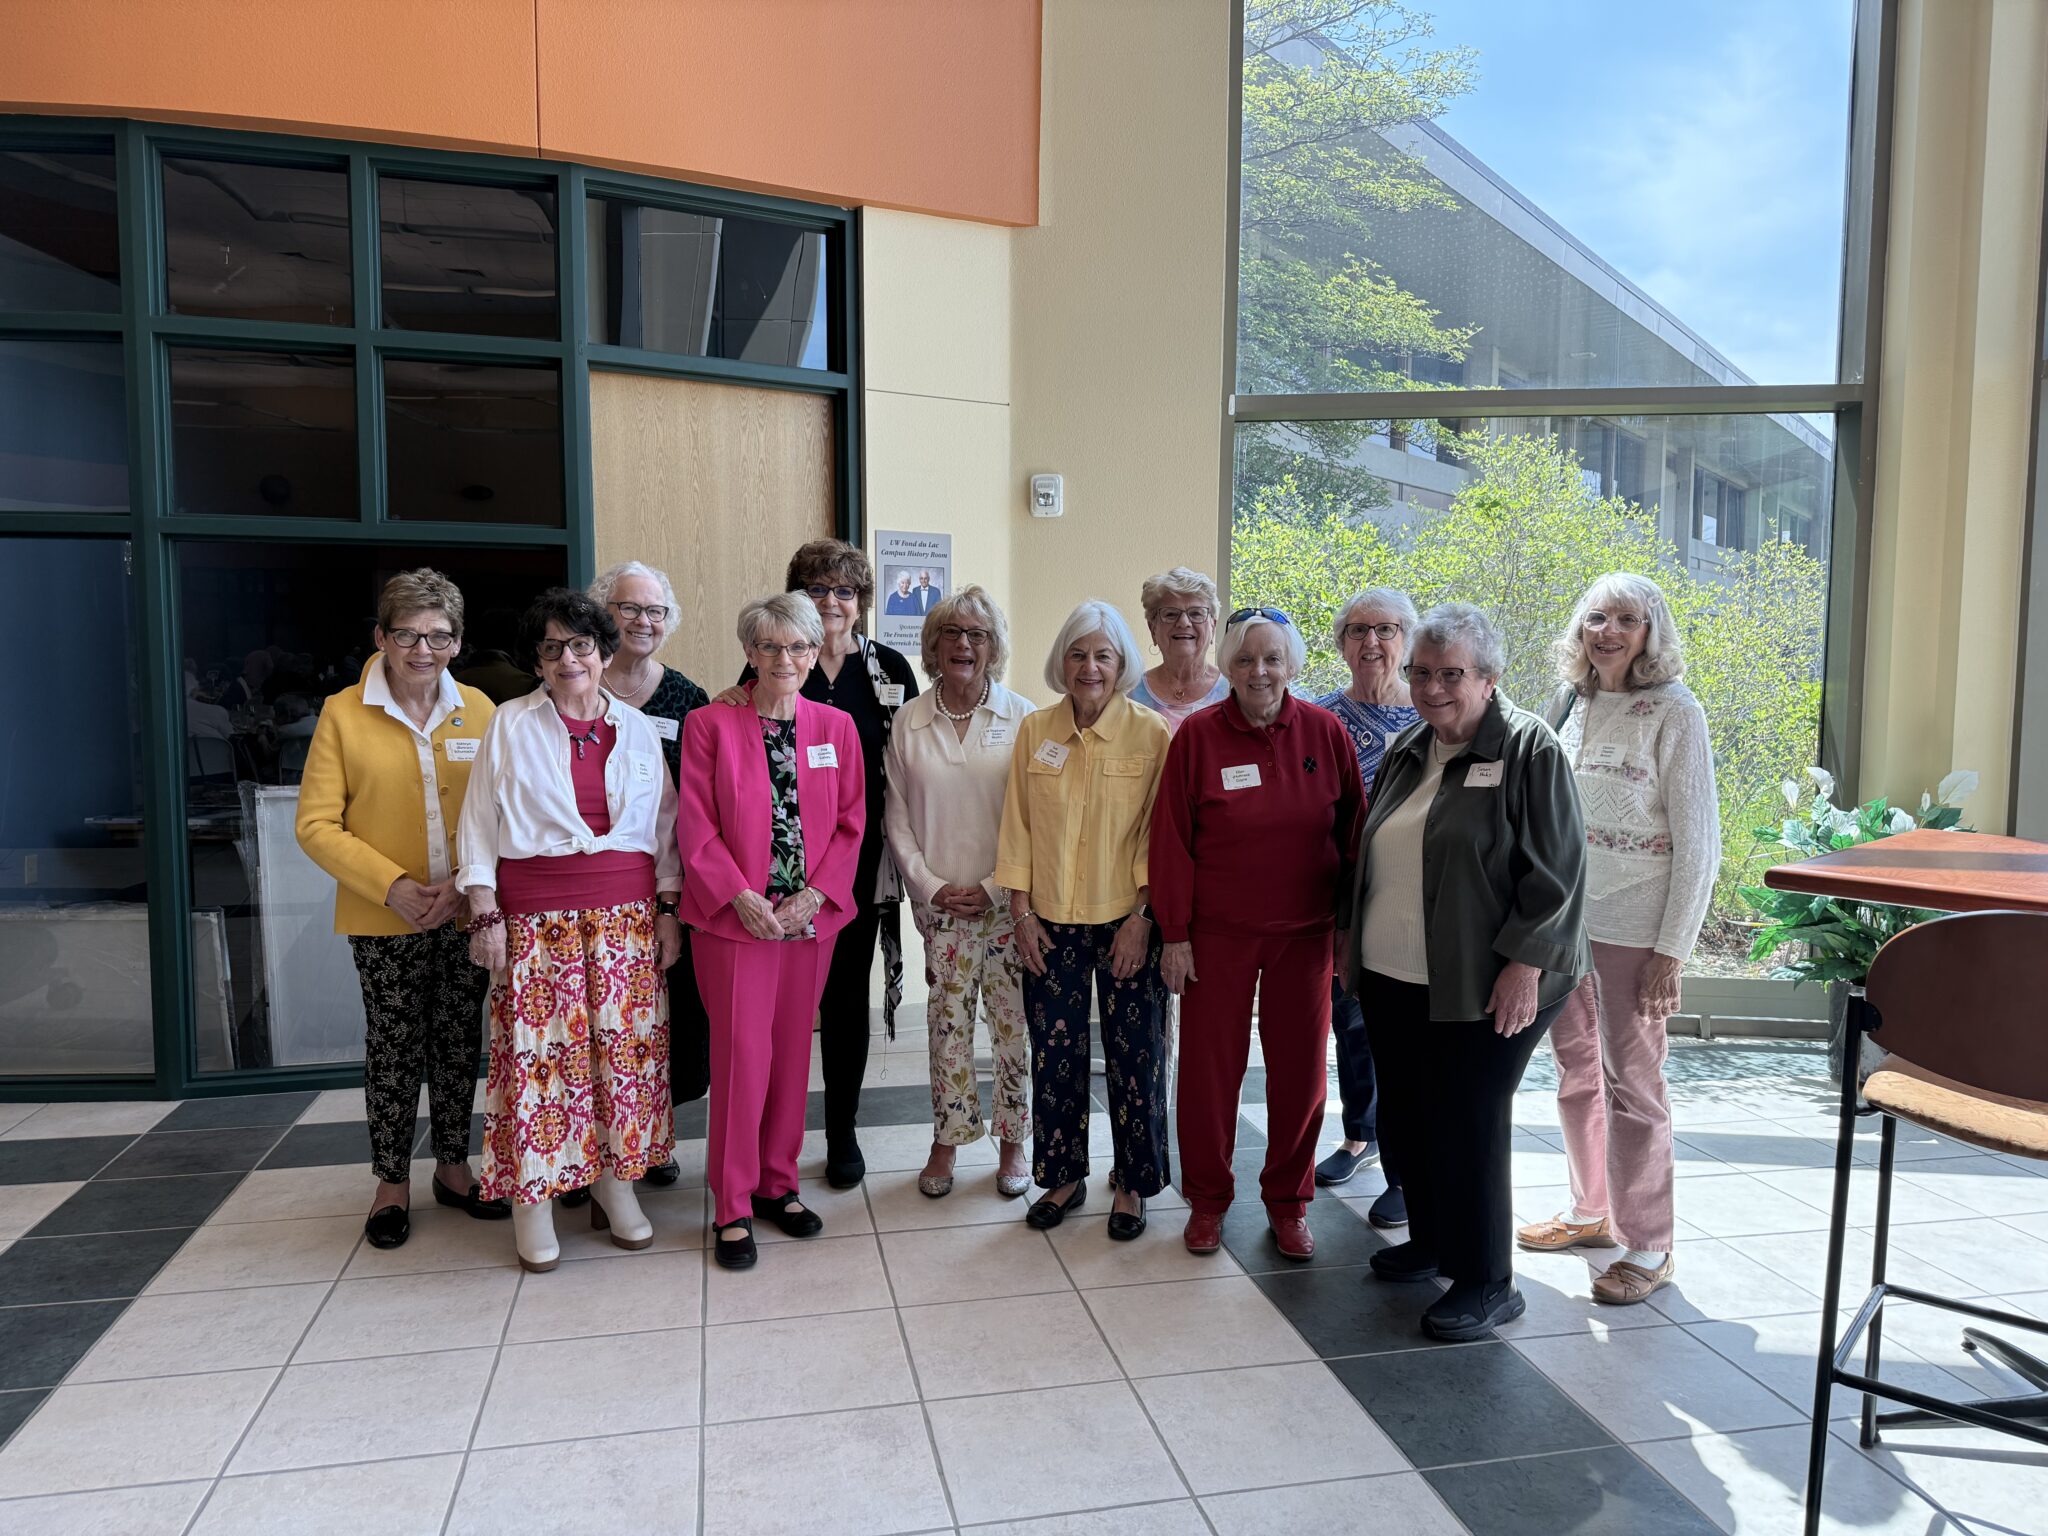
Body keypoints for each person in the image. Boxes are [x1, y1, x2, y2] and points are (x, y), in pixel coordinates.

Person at [1346, 603, 1589, 1340]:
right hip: (1394, 972)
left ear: (1489, 677)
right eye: (1420, 673)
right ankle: (1431, 1241)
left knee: (1470, 1116)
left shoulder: (1529, 749)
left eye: (1450, 674)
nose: (1432, 688)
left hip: (1486, 977)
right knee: (1409, 1112)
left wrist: (1524, 964)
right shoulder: (1409, 747)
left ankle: (1487, 1280)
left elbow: (1559, 873)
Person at [455, 588, 683, 1274]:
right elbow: (478, 823)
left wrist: (669, 910)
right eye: (551, 648)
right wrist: (485, 913)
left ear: (604, 652)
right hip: (536, 921)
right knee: (539, 1062)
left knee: (623, 1060)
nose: (568, 659)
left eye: (581, 645)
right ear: (536, 660)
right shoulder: (510, 724)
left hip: (626, 920)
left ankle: (616, 1187)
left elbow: (665, 828)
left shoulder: (638, 729)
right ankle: (534, 1201)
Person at [1515, 573, 1719, 1305]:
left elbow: (1700, 845)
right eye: (1597, 617)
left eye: (1627, 620)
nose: (1608, 632)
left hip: (1636, 928)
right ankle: (1591, 1212)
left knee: (1634, 1085)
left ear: (1650, 632)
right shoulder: (1570, 702)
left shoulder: (1675, 711)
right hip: (1567, 924)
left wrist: (1673, 951)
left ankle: (1650, 1243)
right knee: (1575, 1072)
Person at [296, 569, 506, 1250]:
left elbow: (500, 810)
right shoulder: (343, 712)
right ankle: (390, 1183)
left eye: (439, 636)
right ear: (381, 637)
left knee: (457, 1040)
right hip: (385, 915)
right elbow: (316, 824)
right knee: (393, 1045)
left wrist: (465, 886)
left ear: (458, 641)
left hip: (463, 909)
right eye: (408, 635)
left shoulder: (481, 710)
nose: (423, 650)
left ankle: (452, 1166)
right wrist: (392, 885)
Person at [1151, 606, 1364, 1261]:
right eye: (1245, 659)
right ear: (1229, 667)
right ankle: (1207, 1201)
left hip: (1306, 935)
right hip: (1218, 935)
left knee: (1300, 1076)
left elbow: (1354, 836)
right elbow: (1171, 841)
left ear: (1291, 664)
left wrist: (1348, 931)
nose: (1260, 671)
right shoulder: (1198, 737)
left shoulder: (1326, 733)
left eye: (1272, 658)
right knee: (1209, 1074)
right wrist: (1175, 934)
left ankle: (1289, 1203)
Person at [715, 539, 919, 1187]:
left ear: (861, 602)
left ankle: (841, 1132)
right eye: (817, 589)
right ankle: (767, 1145)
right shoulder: (775, 661)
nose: (832, 602)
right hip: (771, 873)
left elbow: (908, 765)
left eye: (845, 591)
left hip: (854, 864)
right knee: (777, 1015)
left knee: (846, 1000)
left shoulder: (888, 668)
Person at [678, 593, 865, 1270]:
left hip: (809, 923)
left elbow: (851, 822)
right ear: (749, 653)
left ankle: (777, 1184)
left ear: (816, 652)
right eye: (770, 646)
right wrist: (740, 896)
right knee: (741, 1058)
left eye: (798, 647)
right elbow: (695, 823)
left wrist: (814, 896)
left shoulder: (836, 727)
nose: (784, 659)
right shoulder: (709, 724)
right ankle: (731, 1204)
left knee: (791, 1055)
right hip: (736, 922)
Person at [995, 600, 1172, 1239]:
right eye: (1077, 654)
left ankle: (1132, 1183)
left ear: (1121, 664)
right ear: (1061, 662)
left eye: (1103, 655)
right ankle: (1063, 1176)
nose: (1089, 667)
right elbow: (1016, 823)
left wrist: (1144, 915)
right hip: (1048, 921)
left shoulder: (1152, 733)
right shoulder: (1035, 730)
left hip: (1127, 920)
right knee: (1055, 1055)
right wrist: (1020, 912)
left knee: (1136, 1056)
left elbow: (1161, 833)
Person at [882, 588, 1035, 1200]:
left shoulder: (1023, 718)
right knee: (947, 1028)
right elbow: (896, 818)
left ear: (993, 647)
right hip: (941, 908)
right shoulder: (909, 721)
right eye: (951, 633)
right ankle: (947, 1140)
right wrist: (932, 887)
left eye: (977, 634)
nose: (963, 644)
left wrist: (998, 887)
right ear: (933, 646)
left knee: (1012, 1028)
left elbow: (1036, 818)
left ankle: (1014, 1142)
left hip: (1009, 906)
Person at [592, 560, 712, 1191]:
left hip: (669, 885)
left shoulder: (687, 699)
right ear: (604, 614)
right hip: (590, 886)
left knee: (665, 1015)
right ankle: (592, 1145)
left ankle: (653, 1136)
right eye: (629, 608)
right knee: (595, 1019)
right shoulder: (574, 686)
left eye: (655, 611)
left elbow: (703, 799)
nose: (643, 621)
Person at [1312, 588, 1421, 1231]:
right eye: (1357, 630)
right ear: (1341, 643)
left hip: (1411, 899)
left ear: (1406, 640)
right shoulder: (1320, 717)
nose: (1371, 642)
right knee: (1349, 1022)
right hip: (1343, 896)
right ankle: (1361, 1136)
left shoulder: (1430, 715)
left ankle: (1409, 1170)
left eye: (1385, 629)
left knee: (1405, 1033)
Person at [1128, 567, 1229, 733]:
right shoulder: (1129, 695)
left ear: (1213, 626)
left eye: (1196, 613)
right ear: (1153, 628)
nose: (1183, 622)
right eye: (1170, 614)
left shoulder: (1234, 692)